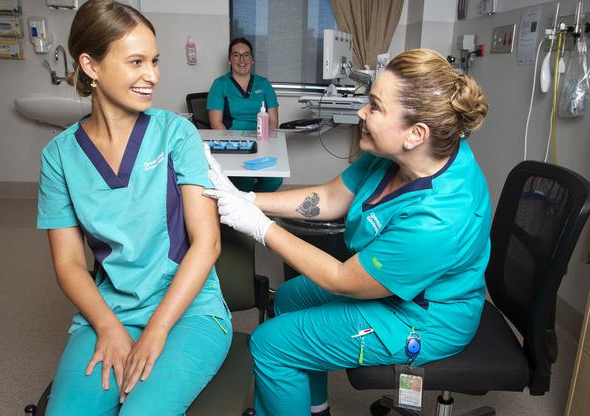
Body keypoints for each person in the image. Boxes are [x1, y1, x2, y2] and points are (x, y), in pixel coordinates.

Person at [204, 48, 490, 416]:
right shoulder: (401, 154)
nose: (361, 113)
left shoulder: (439, 218)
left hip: (421, 317)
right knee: (289, 297)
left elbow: (342, 279)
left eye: (375, 107)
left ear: (415, 133)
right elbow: (330, 197)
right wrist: (247, 197)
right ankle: (314, 406)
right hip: (388, 284)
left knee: (269, 345)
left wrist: (260, 227)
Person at [36, 1, 231, 414]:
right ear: (90, 66)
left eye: (155, 61)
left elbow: (207, 243)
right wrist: (107, 327)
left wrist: (157, 331)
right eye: (137, 62)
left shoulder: (176, 133)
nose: (154, 75)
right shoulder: (59, 156)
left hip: (189, 309)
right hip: (111, 309)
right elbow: (69, 263)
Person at [207, 37, 283, 193]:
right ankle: (244, 208)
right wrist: (237, 145)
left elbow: (274, 122)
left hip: (262, 142)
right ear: (230, 59)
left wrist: (264, 144)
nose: (241, 59)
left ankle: (250, 204)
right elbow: (216, 123)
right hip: (234, 142)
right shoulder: (220, 84)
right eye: (236, 55)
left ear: (252, 59)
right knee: (244, 179)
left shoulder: (264, 83)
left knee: (275, 179)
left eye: (246, 55)